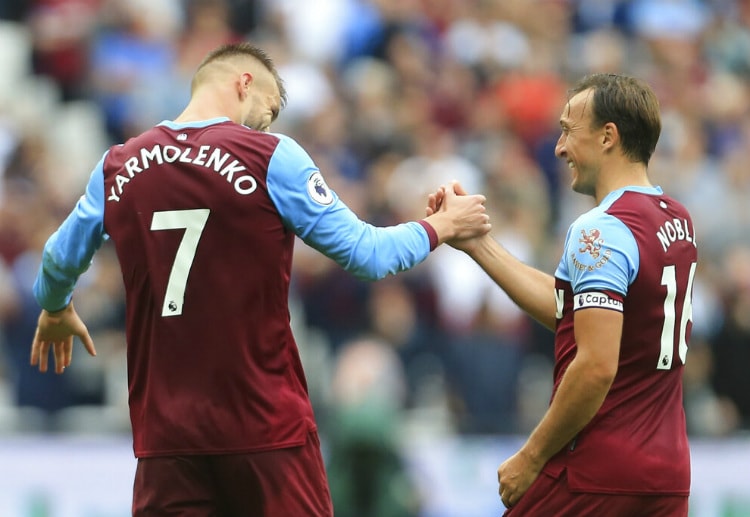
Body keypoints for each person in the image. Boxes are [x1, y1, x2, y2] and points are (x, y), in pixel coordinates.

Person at [29, 42, 491, 517]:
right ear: (243, 83)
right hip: (265, 429)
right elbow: (367, 255)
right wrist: (442, 227)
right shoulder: (269, 156)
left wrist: (56, 306)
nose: (261, 127)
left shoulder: (117, 166)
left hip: (166, 440)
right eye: (264, 114)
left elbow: (56, 260)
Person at [429, 73, 696, 516]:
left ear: (608, 136)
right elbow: (575, 314)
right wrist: (477, 243)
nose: (559, 147)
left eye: (569, 130)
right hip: (666, 473)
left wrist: (530, 456)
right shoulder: (676, 219)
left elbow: (594, 365)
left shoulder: (600, 229)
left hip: (595, 469)